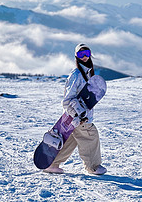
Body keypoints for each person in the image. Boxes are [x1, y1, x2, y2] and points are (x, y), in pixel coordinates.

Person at [44, 43, 107, 175]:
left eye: (87, 54)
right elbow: (67, 100)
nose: (84, 57)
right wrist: (78, 114)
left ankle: (52, 164)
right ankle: (93, 167)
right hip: (79, 118)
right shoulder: (76, 74)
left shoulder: (87, 73)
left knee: (71, 140)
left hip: (77, 118)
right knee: (90, 136)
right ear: (76, 57)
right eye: (80, 54)